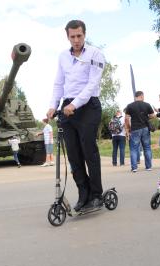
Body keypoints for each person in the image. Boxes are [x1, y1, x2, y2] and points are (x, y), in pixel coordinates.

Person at [47, 20, 105, 212]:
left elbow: (92, 84)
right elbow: (58, 84)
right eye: (72, 36)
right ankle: (84, 193)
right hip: (67, 108)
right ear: (67, 37)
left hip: (88, 106)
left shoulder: (96, 54)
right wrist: (52, 106)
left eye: (79, 36)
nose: (76, 40)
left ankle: (97, 194)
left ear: (84, 34)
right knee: (73, 155)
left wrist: (75, 104)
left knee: (89, 151)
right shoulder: (63, 56)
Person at [125, 91, 155, 173]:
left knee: (134, 149)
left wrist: (128, 129)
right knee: (147, 147)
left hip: (135, 129)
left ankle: (134, 168)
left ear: (135, 96)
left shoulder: (130, 106)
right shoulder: (147, 104)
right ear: (141, 96)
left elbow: (127, 118)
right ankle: (148, 167)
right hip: (145, 128)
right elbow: (153, 115)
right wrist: (146, 117)